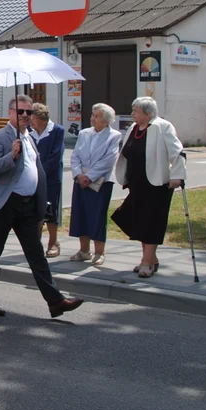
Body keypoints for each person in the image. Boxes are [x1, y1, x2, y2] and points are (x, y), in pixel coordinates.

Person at [0, 94, 84, 318]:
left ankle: (55, 301)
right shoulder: (0, 137)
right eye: (21, 111)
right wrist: (11, 155)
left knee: (36, 254)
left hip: (27, 206)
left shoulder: (30, 137)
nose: (26, 115)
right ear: (11, 113)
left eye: (29, 112)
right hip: (6, 204)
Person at [112, 96, 187, 279]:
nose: (132, 114)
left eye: (135, 111)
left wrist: (177, 176)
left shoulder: (162, 126)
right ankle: (151, 258)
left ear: (147, 113)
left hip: (157, 184)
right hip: (136, 184)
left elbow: (177, 152)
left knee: (151, 223)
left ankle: (146, 262)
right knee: (130, 219)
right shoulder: (133, 128)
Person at [67, 104, 121, 265]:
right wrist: (79, 174)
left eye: (96, 116)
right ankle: (84, 250)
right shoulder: (84, 133)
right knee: (80, 214)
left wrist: (90, 176)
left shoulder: (114, 136)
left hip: (101, 182)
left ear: (105, 121)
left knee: (97, 216)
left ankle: (99, 252)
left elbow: (109, 160)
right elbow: (75, 155)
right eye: (92, 114)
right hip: (81, 180)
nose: (92, 118)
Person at [29, 103, 65, 257]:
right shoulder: (28, 131)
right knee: (34, 211)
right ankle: (35, 244)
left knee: (51, 211)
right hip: (32, 178)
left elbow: (56, 156)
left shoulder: (57, 131)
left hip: (50, 178)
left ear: (43, 119)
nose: (31, 122)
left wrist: (40, 172)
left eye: (34, 119)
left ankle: (53, 242)